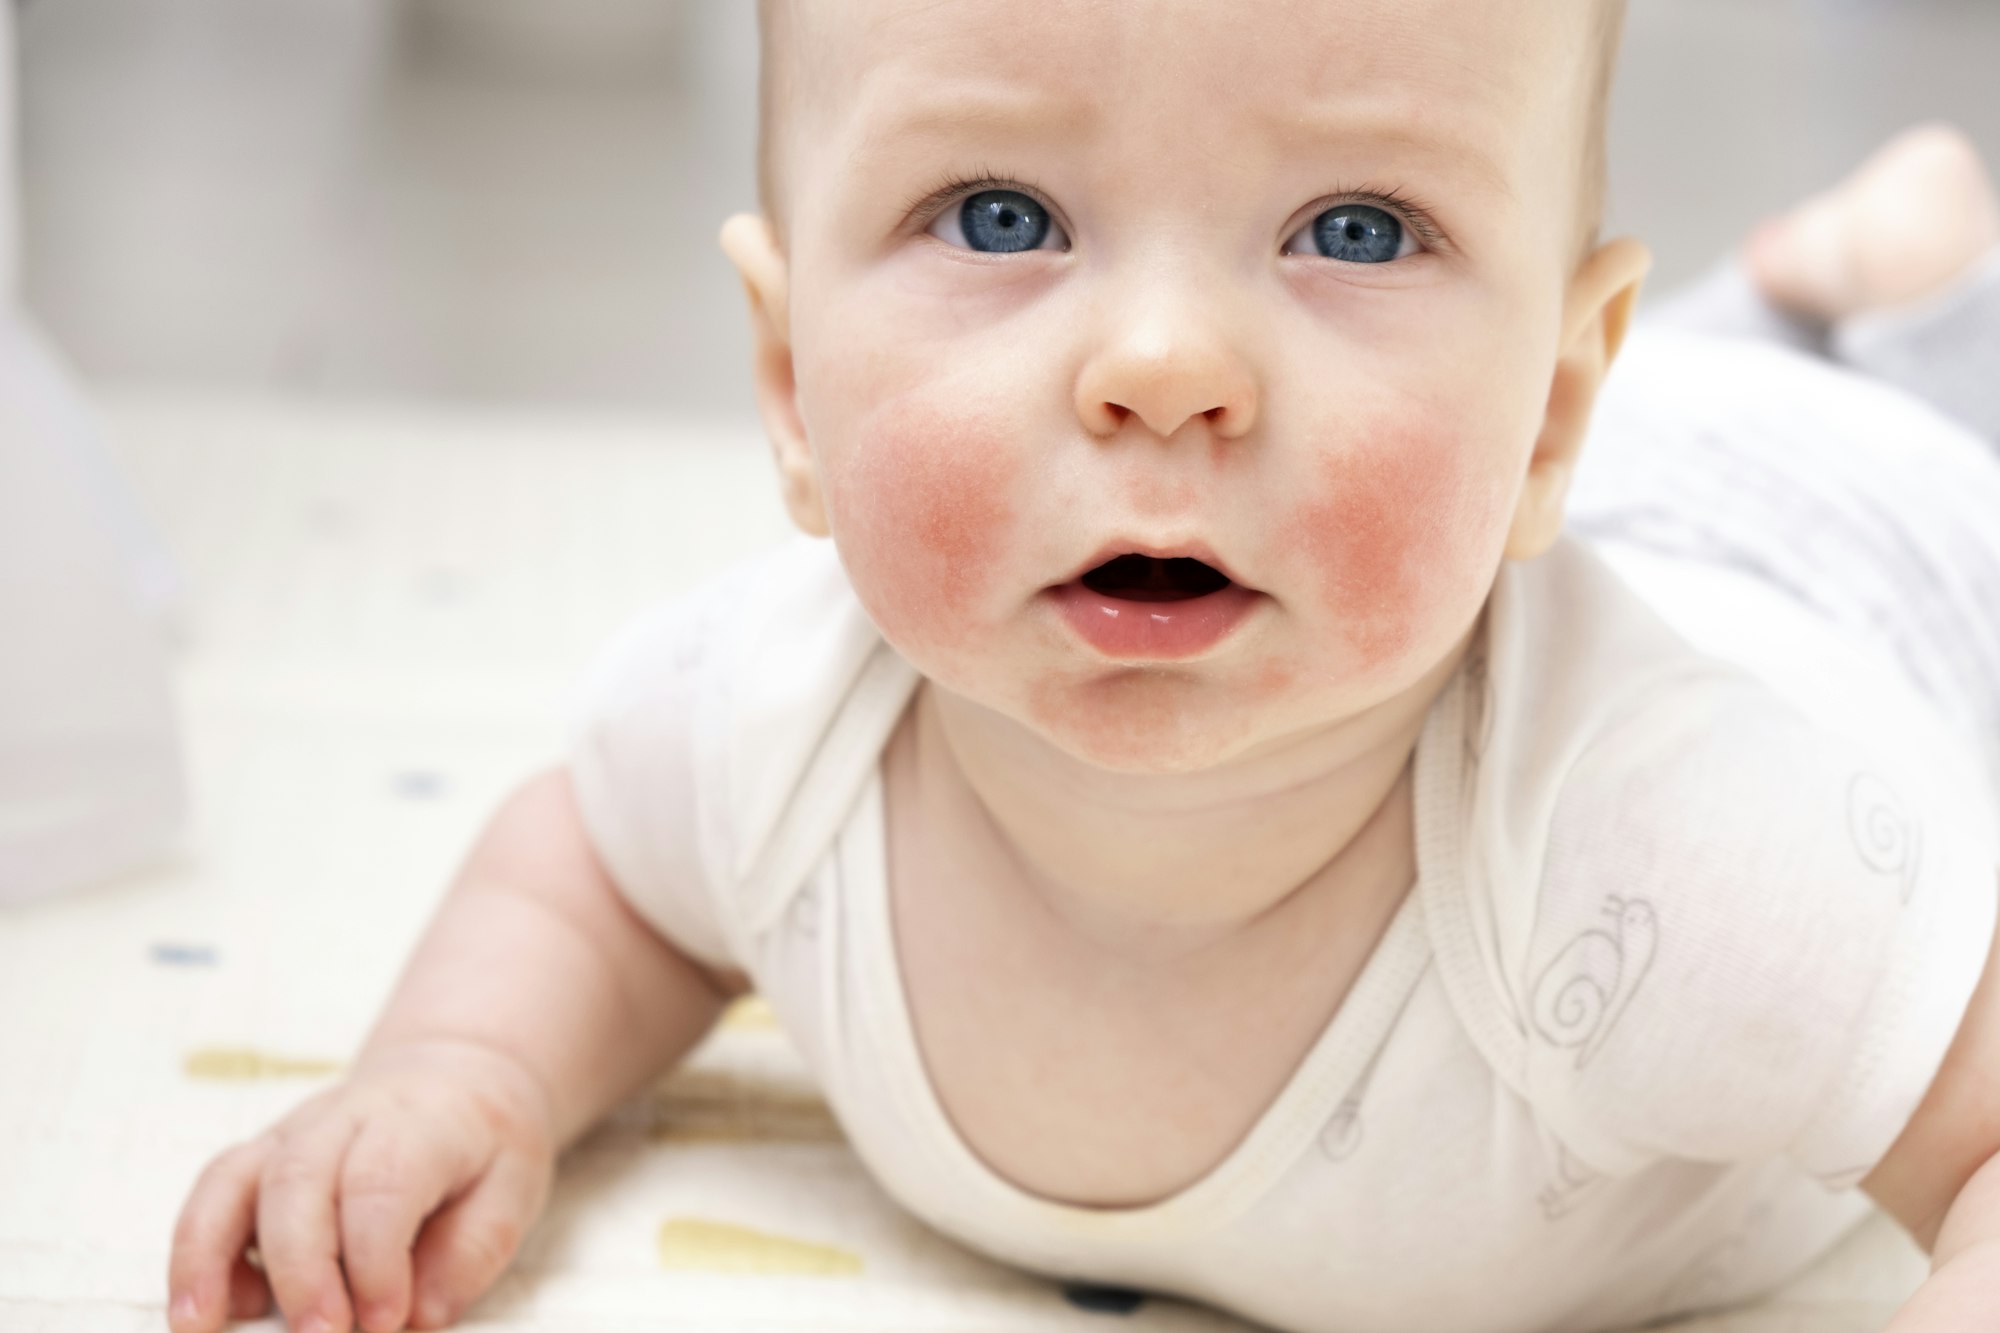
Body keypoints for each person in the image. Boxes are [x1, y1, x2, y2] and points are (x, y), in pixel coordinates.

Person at [165, 3, 2000, 1330]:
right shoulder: (779, 730)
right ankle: (1819, 287)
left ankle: (1888, 306)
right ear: (793, 384)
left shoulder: (1673, 848)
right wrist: (463, 1067)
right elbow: (595, 869)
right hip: (1558, 470)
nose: (1163, 363)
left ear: (1544, 419)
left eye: (1354, 230)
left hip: (1854, 548)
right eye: (1000, 216)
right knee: (1630, 416)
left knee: (1879, 415)